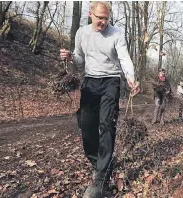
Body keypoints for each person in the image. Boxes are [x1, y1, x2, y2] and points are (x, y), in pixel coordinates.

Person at [60, 2, 140, 197]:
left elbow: (124, 57)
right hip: (90, 82)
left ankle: (101, 177)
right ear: (90, 15)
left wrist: (131, 77)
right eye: (99, 18)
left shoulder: (117, 34)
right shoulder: (82, 33)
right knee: (86, 125)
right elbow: (80, 59)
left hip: (111, 81)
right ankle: (100, 162)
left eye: (106, 18)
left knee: (106, 125)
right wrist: (71, 57)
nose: (103, 22)